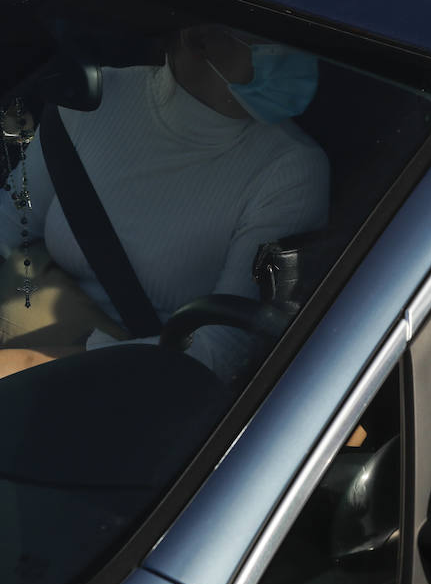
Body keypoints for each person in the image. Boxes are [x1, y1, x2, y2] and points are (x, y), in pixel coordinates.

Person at [0, 23, 329, 382]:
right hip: (30, 329)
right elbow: (11, 222)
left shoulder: (291, 170)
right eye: (277, 40)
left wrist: (36, 364)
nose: (302, 57)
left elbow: (226, 347)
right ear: (200, 39)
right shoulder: (98, 98)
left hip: (134, 382)